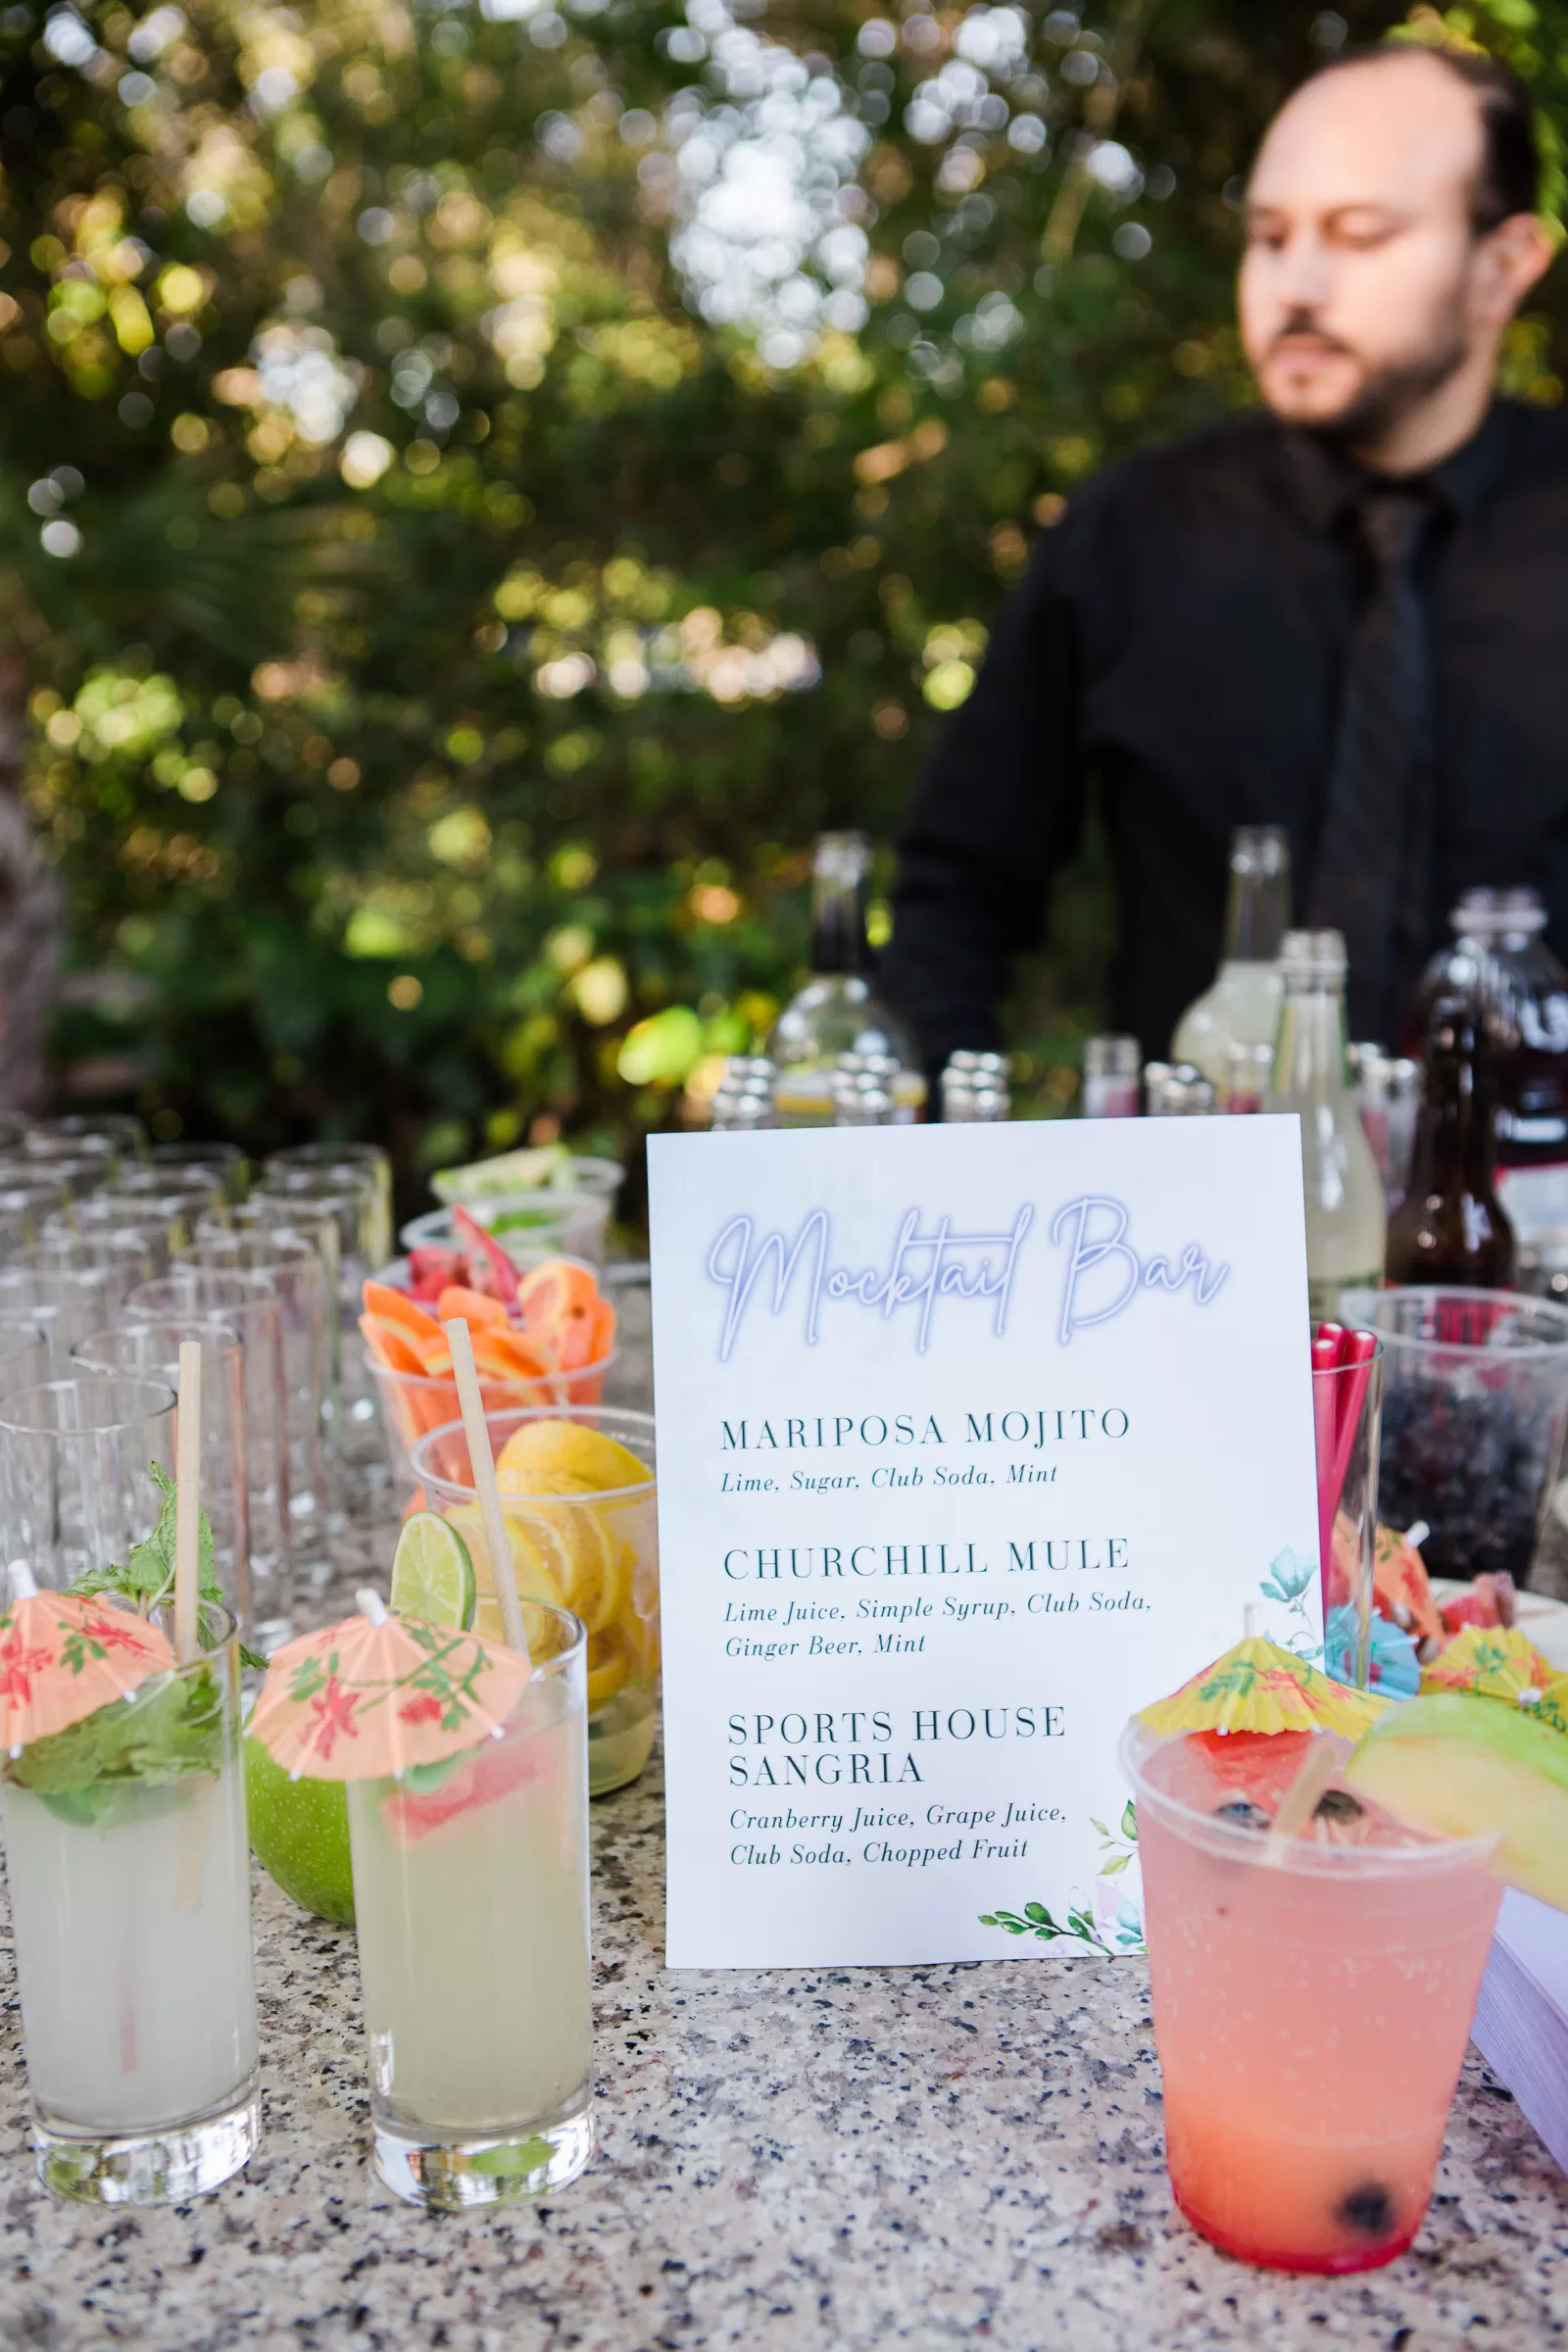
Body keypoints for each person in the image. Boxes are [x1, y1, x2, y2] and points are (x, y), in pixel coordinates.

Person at [881, 42, 1561, 1069]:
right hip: (1190, 1207)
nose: (1297, 284)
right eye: (1269, 236)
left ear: (1502, 266)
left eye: (1361, 236)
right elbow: (957, 892)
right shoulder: (1134, 532)